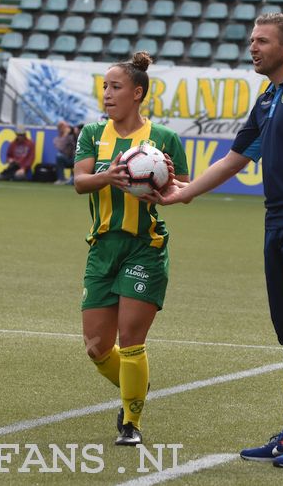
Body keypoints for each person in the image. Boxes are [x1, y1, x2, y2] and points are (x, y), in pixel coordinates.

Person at [148, 13, 283, 469]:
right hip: (278, 223)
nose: (252, 48)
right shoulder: (269, 96)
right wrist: (184, 192)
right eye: (252, 40)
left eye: (262, 41)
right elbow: (237, 157)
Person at [73, 51, 189, 446]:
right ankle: (133, 383)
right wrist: (109, 175)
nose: (107, 94)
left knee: (132, 338)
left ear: (137, 93)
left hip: (145, 246)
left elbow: (182, 188)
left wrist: (164, 188)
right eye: (104, 86)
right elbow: (79, 181)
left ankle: (131, 423)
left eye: (115, 87)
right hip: (103, 246)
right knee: (96, 346)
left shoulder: (164, 139)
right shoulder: (92, 133)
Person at [53, 120, 76, 185]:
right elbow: (61, 147)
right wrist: (65, 135)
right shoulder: (56, 139)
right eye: (62, 127)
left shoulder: (73, 135)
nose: (65, 128)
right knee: (59, 156)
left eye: (65, 126)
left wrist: (72, 132)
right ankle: (61, 179)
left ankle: (75, 178)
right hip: (67, 159)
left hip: (76, 158)